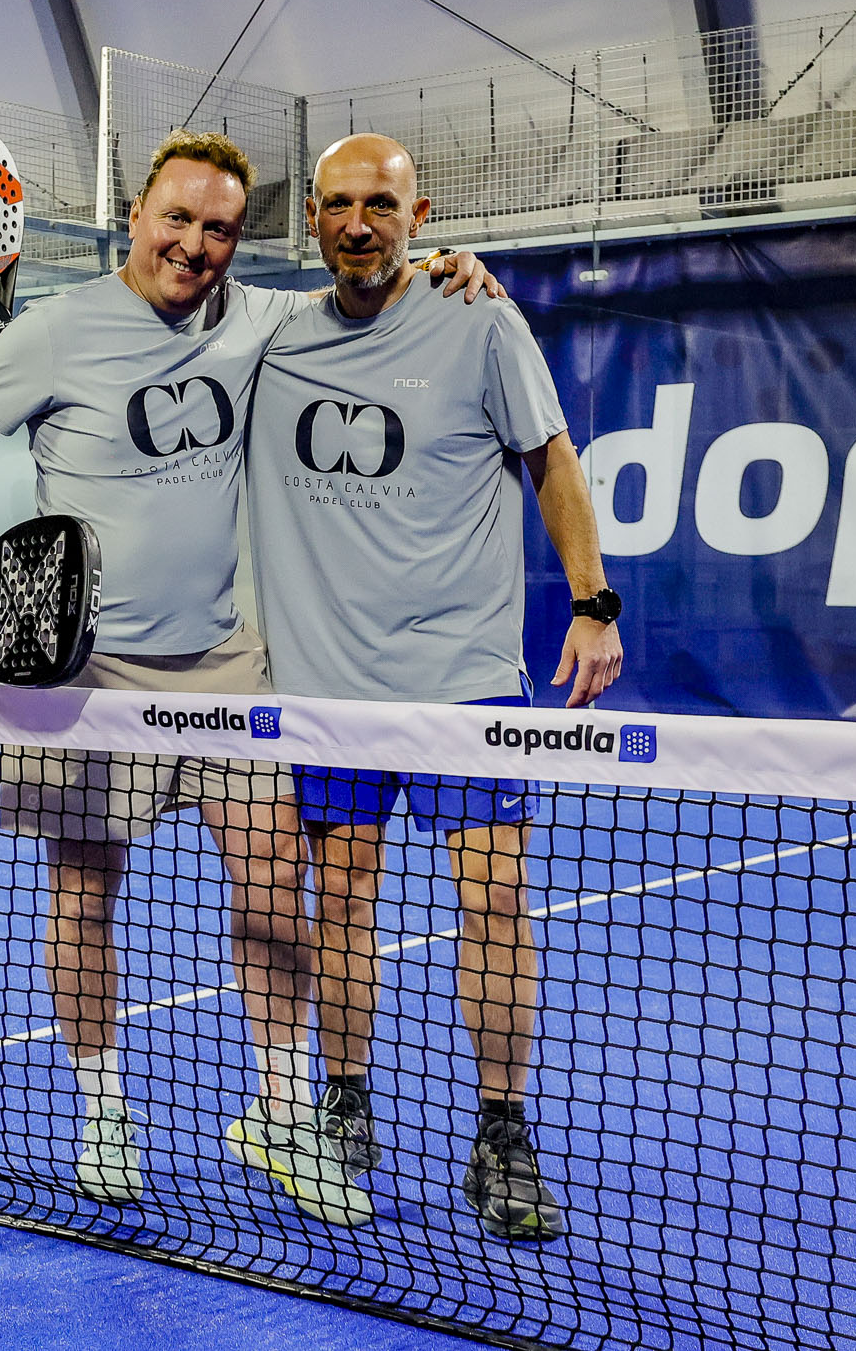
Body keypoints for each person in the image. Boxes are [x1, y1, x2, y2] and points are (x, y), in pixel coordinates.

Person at [0, 130, 498, 1230]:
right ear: (135, 217)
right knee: (83, 894)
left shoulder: (263, 319)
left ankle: (281, 1112)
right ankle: (103, 1111)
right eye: (177, 219)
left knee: (274, 884)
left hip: (224, 660)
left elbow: (368, 289)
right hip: (81, 673)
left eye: (218, 230)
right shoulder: (52, 333)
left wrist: (451, 269)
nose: (195, 245)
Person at [246, 134, 624, 1242]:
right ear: (311, 220)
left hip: (465, 686)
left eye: (381, 204)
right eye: (337, 205)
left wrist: (593, 603)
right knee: (340, 902)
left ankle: (501, 1132)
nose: (358, 224)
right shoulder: (272, 335)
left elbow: (551, 460)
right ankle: (345, 1101)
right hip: (328, 691)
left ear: (420, 215)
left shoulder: (481, 322)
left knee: (494, 901)